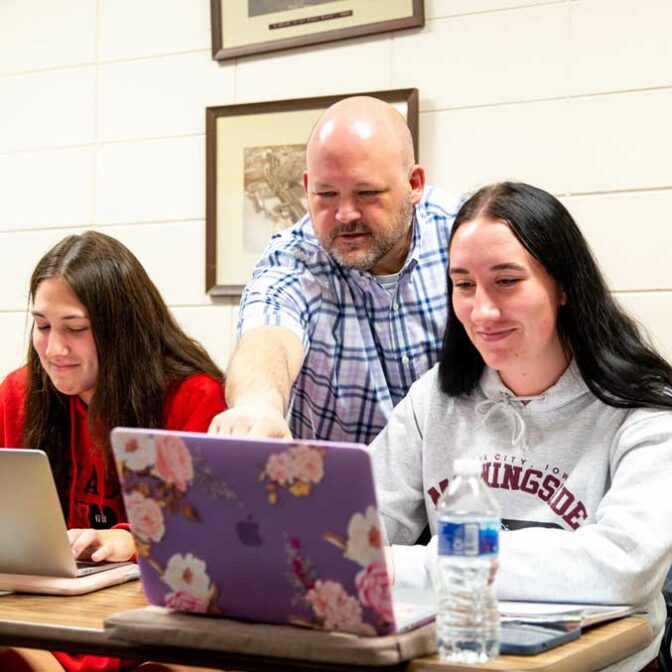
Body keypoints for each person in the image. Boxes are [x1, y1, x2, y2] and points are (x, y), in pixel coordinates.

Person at [370, 182, 672, 671]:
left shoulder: (647, 407)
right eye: (464, 284)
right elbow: (354, 535)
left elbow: (623, 567)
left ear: (564, 286)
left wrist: (433, 563)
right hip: (461, 661)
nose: (482, 310)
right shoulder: (435, 396)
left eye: (507, 281)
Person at [0, 231, 227, 672]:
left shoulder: (191, 396)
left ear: (122, 329)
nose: (53, 348)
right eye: (43, 326)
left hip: (147, 625)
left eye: (76, 329)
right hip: (45, 618)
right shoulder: (19, 393)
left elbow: (209, 537)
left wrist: (129, 538)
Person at [208, 95, 462, 443]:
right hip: (343, 492)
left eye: (367, 193)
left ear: (414, 184)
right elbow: (268, 335)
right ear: (306, 186)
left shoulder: (462, 232)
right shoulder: (295, 258)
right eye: (325, 194)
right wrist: (258, 405)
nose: (345, 215)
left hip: (462, 485)